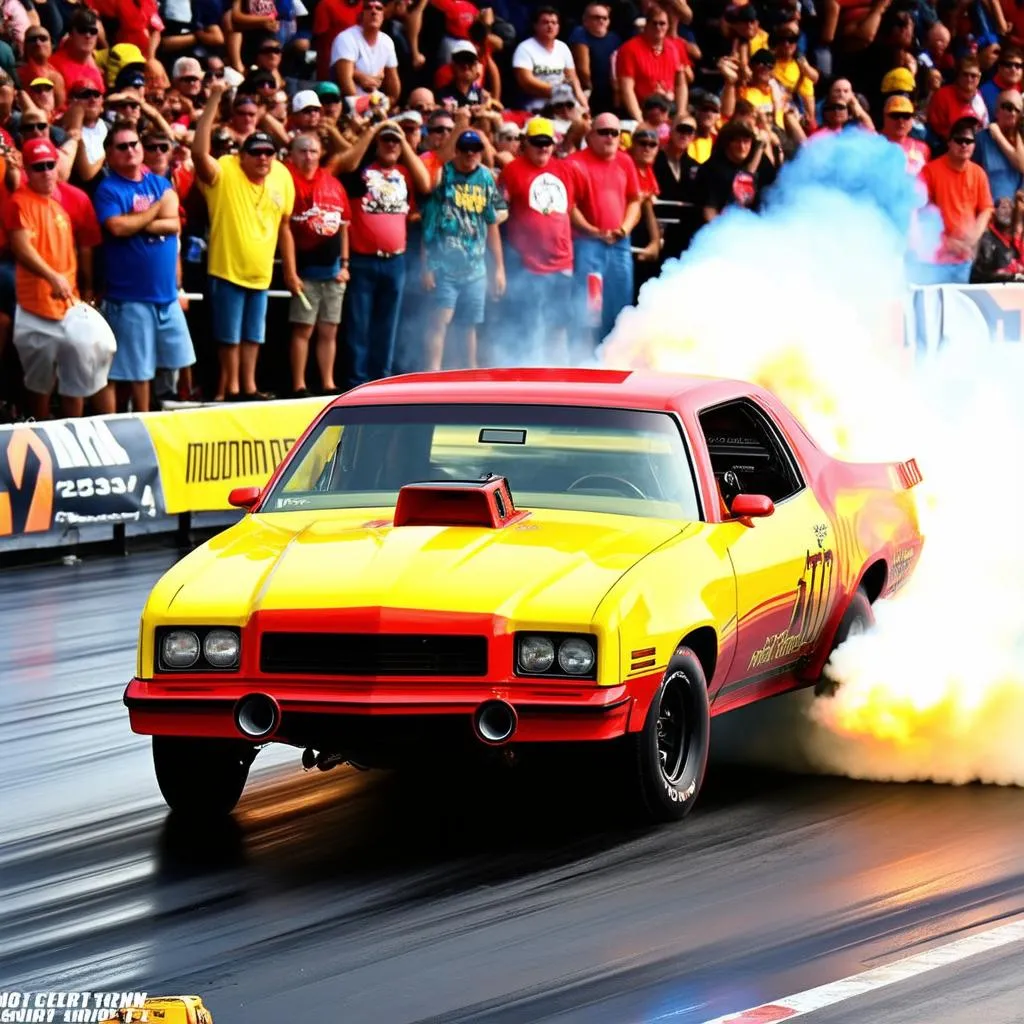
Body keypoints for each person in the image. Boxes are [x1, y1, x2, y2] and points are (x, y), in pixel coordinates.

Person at [192, 77, 299, 401]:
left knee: (253, 336)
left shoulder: (282, 174)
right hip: (227, 270)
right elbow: (198, 152)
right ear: (243, 155)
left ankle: (249, 387)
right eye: (256, 153)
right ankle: (234, 389)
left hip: (261, 273)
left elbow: (285, 227)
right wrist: (214, 99)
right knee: (229, 338)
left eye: (268, 152)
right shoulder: (226, 170)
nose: (264, 158)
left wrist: (291, 272)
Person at [3, 137, 112, 419]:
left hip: (68, 306)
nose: (47, 172)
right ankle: (40, 432)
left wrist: (85, 288)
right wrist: (51, 276)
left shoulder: (63, 202)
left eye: (51, 165)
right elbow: (21, 246)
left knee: (80, 371)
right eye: (39, 167)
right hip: (35, 307)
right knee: (39, 383)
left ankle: (73, 431)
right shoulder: (19, 202)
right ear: (27, 169)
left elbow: (83, 250)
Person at [93, 120, 195, 413]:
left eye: (134, 144)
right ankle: (142, 424)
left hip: (166, 296)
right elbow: (116, 227)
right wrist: (153, 212)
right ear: (110, 155)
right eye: (122, 146)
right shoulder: (108, 189)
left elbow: (174, 223)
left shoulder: (160, 183)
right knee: (137, 373)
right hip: (129, 297)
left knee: (180, 362)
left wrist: (136, 221)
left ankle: (168, 415)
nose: (130, 150)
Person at [421, 128, 505, 371]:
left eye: (475, 150)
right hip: (444, 267)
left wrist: (499, 269)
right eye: (466, 150)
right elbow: (429, 225)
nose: (470, 155)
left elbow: (492, 225)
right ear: (456, 151)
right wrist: (426, 267)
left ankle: (470, 372)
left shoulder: (486, 179)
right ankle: (432, 373)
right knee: (440, 321)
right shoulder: (443, 176)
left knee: (469, 324)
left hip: (475, 268)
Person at [286, 131, 351, 397]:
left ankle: (328, 383)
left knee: (329, 329)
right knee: (304, 328)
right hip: (305, 270)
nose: (308, 156)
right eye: (303, 150)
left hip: (334, 270)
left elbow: (345, 226)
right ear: (293, 154)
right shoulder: (288, 181)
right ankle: (299, 384)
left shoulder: (333, 183)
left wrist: (345, 264)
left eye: (313, 151)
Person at [569, 112, 641, 346]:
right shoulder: (575, 163)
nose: (609, 137)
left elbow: (634, 200)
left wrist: (625, 228)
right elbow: (570, 207)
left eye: (614, 132)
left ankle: (614, 356)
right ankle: (588, 358)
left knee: (620, 304)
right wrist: (592, 231)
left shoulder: (626, 161)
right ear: (590, 135)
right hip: (588, 244)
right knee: (591, 308)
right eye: (603, 132)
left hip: (620, 242)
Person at [919, 116, 994, 283]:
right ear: (949, 142)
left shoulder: (978, 173)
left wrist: (973, 236)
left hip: (963, 260)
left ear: (974, 145)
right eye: (959, 140)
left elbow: (986, 209)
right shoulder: (929, 171)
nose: (964, 144)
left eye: (969, 141)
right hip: (934, 260)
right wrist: (948, 243)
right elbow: (919, 215)